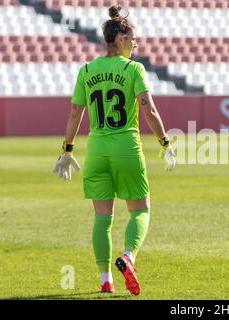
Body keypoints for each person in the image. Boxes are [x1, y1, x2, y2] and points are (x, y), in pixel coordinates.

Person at [52, 4, 176, 296]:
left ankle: (105, 279)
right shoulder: (133, 69)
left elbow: (74, 113)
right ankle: (129, 257)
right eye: (132, 37)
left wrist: (67, 150)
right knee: (140, 210)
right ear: (120, 38)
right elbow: (149, 110)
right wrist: (165, 143)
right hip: (126, 148)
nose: (135, 43)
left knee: (102, 218)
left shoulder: (87, 70)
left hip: (96, 150)